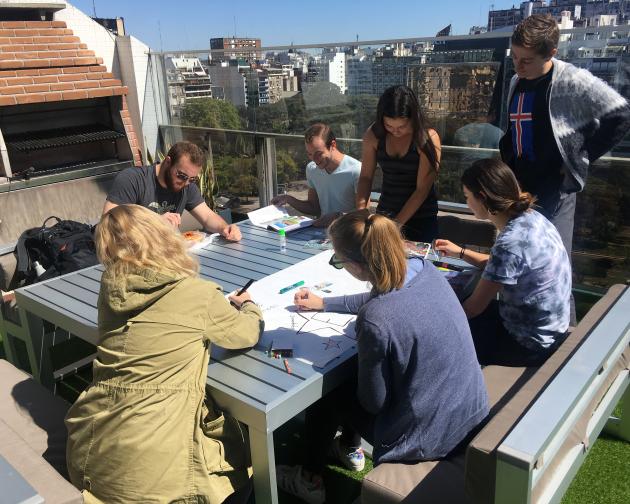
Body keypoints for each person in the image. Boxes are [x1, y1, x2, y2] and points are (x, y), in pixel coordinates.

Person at [276, 210, 488, 504]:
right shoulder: (422, 268)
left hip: (427, 438)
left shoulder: (375, 319)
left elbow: (373, 401)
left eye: (338, 261)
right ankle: (348, 447)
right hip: (468, 412)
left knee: (332, 391)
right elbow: (380, 297)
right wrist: (325, 303)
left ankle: (310, 478)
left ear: (357, 266)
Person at [65, 204, 263, 503]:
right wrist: (249, 305)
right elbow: (246, 334)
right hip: (157, 475)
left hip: (91, 451)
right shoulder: (198, 294)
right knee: (244, 479)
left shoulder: (110, 292)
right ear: (162, 236)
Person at [499, 14, 630, 268]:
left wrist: (582, 156)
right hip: (520, 183)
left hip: (553, 188)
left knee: (553, 265)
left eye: (526, 60)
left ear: (551, 53)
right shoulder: (518, 81)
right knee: (519, 259)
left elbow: (621, 114)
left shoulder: (571, 80)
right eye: (514, 57)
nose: (518, 66)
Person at [435, 158, 571, 367]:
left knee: (437, 334)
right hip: (550, 331)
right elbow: (504, 267)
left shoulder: (509, 243)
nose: (466, 203)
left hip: (526, 345)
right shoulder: (533, 218)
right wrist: (461, 252)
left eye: (467, 197)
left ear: (482, 198)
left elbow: (473, 309)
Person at [103, 141, 241, 241]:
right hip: (132, 256)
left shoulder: (187, 185)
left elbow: (207, 217)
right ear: (168, 162)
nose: (186, 183)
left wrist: (225, 228)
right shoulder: (133, 179)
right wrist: (155, 222)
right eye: (181, 176)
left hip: (166, 253)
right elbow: (108, 223)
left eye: (192, 179)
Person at [356, 85, 442, 242]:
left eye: (402, 126)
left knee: (419, 265)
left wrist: (397, 224)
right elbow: (366, 177)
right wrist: (361, 209)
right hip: (386, 213)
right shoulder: (374, 134)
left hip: (421, 219)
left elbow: (422, 190)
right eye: (389, 126)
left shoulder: (427, 138)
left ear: (413, 118)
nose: (395, 131)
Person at [271, 123, 361, 227]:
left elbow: (364, 214)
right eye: (309, 154)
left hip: (349, 233)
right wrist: (288, 199)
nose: (314, 159)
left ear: (333, 145)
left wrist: (338, 217)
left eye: (318, 154)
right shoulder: (312, 169)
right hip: (321, 232)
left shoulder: (356, 170)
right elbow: (314, 208)